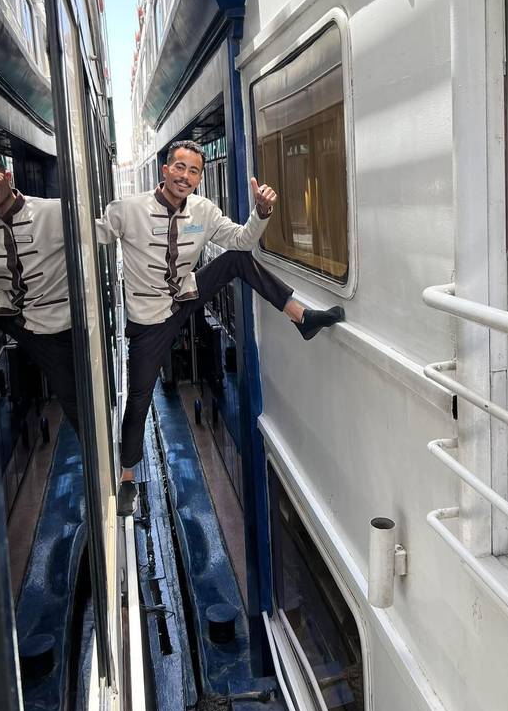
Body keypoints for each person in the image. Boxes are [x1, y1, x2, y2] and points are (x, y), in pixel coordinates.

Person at [97, 139, 346, 515]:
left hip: (185, 296)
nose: (185, 176)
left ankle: (301, 316)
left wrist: (261, 212)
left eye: (193, 171)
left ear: (198, 179)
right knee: (138, 397)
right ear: (165, 170)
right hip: (149, 322)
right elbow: (90, 237)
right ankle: (128, 477)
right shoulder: (127, 210)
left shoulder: (203, 210)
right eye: (179, 167)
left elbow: (242, 240)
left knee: (235, 259)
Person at [0, 148, 79, 436]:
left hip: (58, 323)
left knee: (75, 400)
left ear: (7, 176)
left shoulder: (54, 212)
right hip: (13, 317)